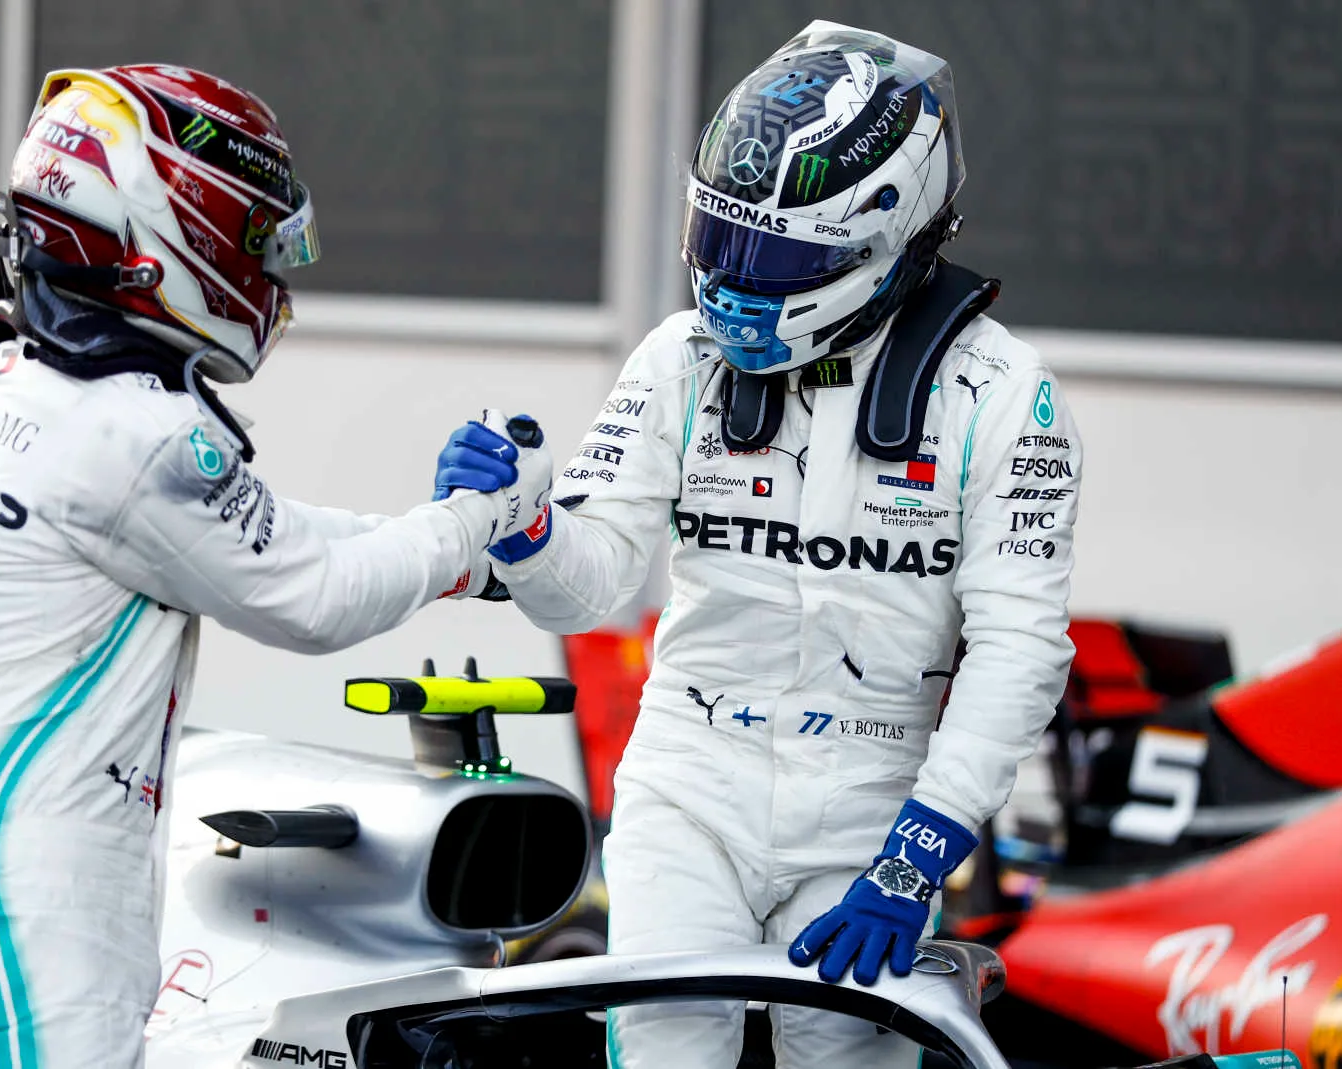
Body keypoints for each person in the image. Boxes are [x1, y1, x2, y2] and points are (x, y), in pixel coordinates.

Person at [0, 64, 549, 1069]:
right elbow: (311, 598)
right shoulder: (132, 431)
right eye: (259, 243)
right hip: (25, 891)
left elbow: (261, 537)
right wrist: (471, 519)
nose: (273, 278)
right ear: (165, 230)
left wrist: (454, 555)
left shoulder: (28, 378)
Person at [457, 21, 1080, 1068]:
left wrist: (916, 857)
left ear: (892, 235)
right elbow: (595, 579)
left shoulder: (1007, 395)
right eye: (720, 244)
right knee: (665, 1051)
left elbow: (1022, 650)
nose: (737, 285)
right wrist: (525, 530)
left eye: (783, 258)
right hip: (685, 781)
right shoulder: (677, 357)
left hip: (873, 804)